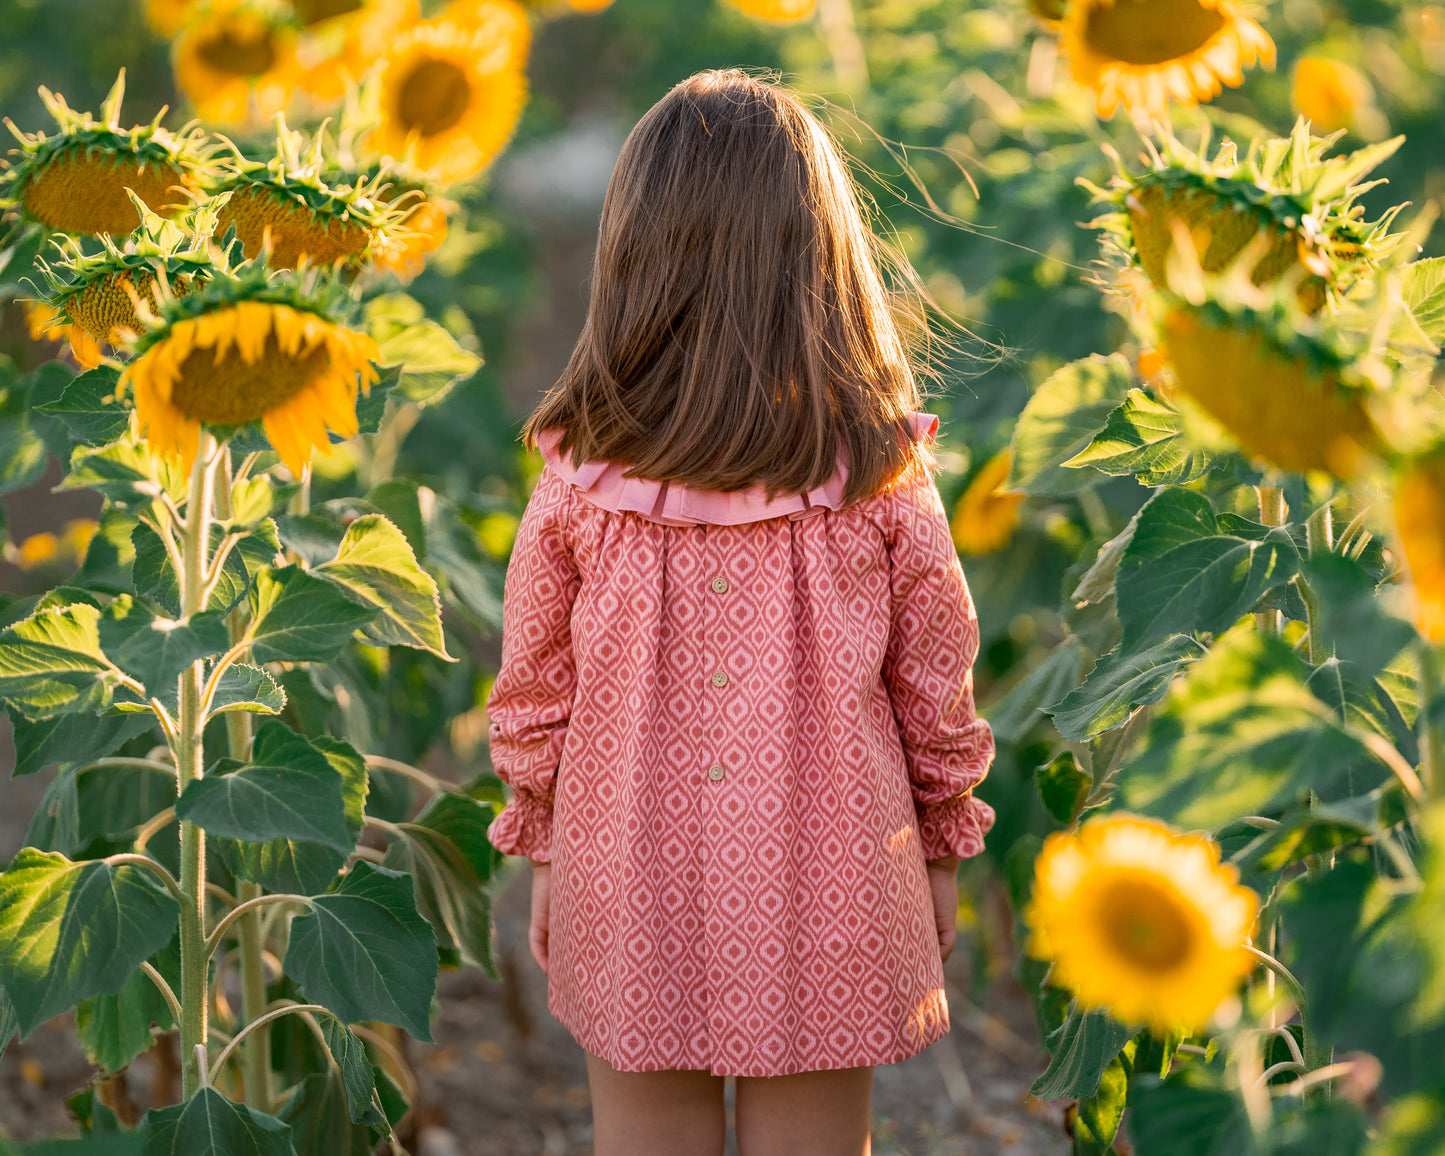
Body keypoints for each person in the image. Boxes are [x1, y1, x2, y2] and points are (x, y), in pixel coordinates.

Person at [484, 68, 996, 1156]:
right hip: (834, 878)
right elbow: (934, 680)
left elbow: (534, 687)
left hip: (624, 874)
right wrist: (941, 845)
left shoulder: (578, 486)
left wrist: (543, 846)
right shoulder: (873, 477)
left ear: (632, 264)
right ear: (823, 260)